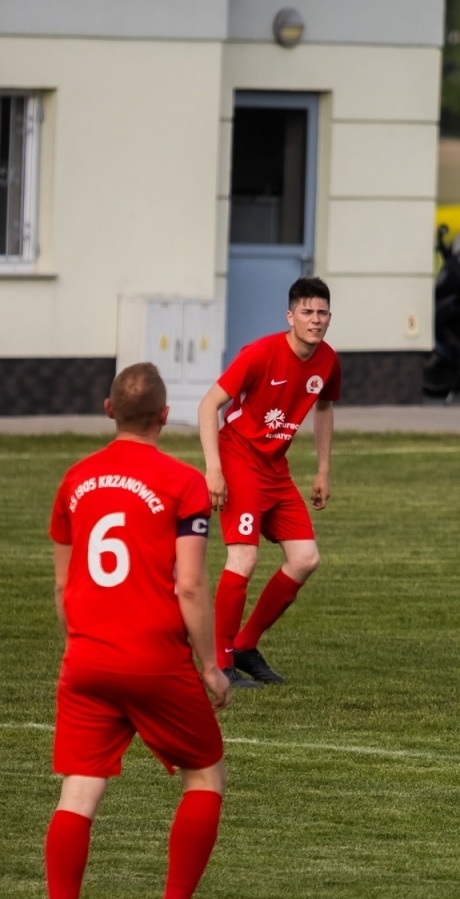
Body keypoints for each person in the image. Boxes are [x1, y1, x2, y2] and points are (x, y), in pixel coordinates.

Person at [45, 362, 231, 899]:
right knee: (205, 774)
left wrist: (83, 646)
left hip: (85, 657)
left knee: (80, 790)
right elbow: (192, 585)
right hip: (153, 658)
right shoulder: (182, 482)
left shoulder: (74, 480)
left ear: (107, 410)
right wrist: (210, 665)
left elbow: (61, 588)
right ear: (163, 416)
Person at [197, 277, 341, 688]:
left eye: (323, 313)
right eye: (308, 312)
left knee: (306, 559)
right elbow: (210, 405)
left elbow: (325, 407)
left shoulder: (328, 360)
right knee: (243, 559)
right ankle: (221, 662)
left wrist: (323, 469)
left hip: (276, 469)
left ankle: (245, 645)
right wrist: (214, 469)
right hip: (239, 460)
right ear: (290, 316)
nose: (316, 320)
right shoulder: (260, 353)